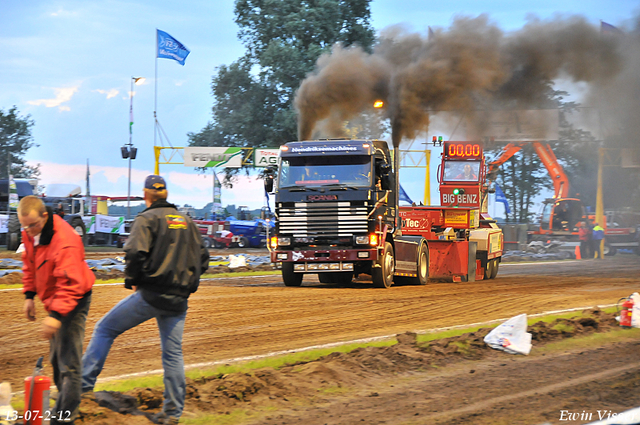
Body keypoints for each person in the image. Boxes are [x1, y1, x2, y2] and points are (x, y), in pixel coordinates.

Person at [81, 175, 209, 425]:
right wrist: (187, 281)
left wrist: (134, 280)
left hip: (152, 294)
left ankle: (82, 388)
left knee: (105, 329)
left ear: (146, 194)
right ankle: (173, 414)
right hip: (178, 299)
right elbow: (203, 258)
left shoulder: (146, 218)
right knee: (172, 355)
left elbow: (134, 252)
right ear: (166, 194)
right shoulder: (187, 221)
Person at [19, 195, 94, 425]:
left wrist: (56, 316)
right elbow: (29, 263)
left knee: (69, 364)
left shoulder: (66, 241)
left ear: (45, 216)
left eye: (33, 225)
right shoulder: (31, 232)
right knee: (56, 359)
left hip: (74, 298)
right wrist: (29, 295)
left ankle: (63, 419)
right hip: (55, 300)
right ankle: (64, 406)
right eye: (25, 226)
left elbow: (70, 284)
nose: (29, 231)